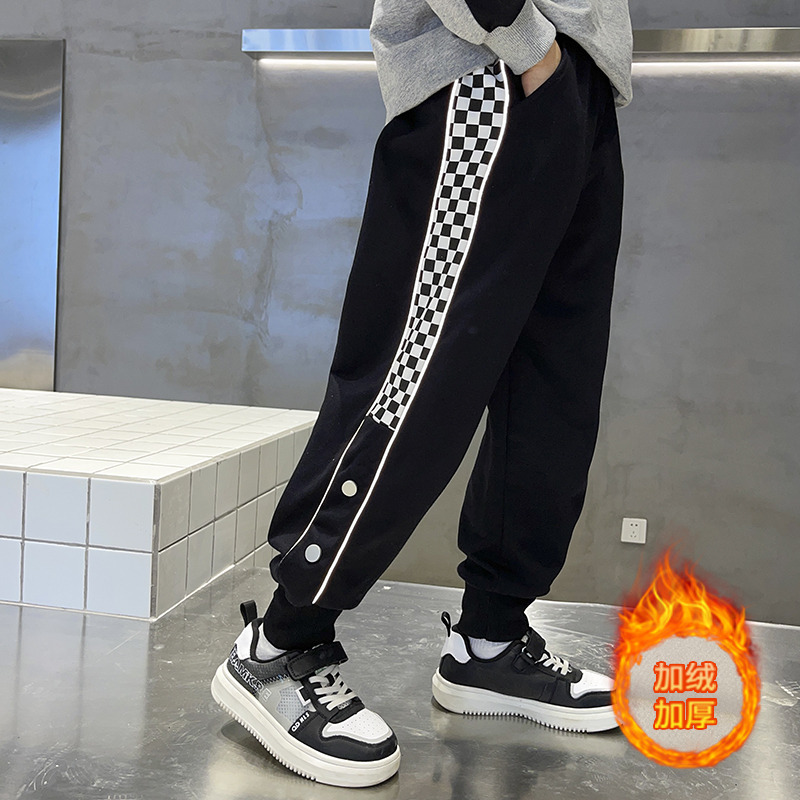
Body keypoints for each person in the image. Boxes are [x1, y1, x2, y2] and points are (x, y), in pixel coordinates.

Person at [211, 0, 633, 788]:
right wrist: (527, 44)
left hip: (576, 88)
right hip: (490, 72)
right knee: (418, 382)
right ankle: (279, 644)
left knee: (554, 393)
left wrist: (568, 76)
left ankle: (489, 642)